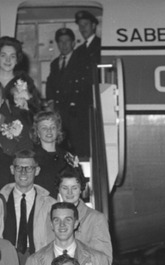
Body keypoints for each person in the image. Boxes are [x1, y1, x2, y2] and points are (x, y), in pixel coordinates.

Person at [0, 149, 56, 265]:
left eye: (29, 168)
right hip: (5, 260)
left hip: (38, 260)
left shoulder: (50, 204)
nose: (23, 173)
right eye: (19, 167)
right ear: (12, 169)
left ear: (37, 171)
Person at [63, 11, 101, 158]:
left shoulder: (100, 46)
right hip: (80, 106)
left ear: (93, 25)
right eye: (80, 26)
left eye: (85, 25)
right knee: (81, 143)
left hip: (93, 102)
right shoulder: (79, 51)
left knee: (93, 142)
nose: (83, 28)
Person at [56, 167, 112, 265]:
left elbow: (104, 259)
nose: (69, 193)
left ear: (81, 189)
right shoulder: (50, 217)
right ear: (59, 189)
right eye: (65, 188)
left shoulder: (96, 219)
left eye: (74, 188)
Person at [0, 36, 42, 114]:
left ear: (17, 60)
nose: (8, 60)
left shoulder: (25, 81)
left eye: (12, 56)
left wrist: (27, 101)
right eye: (3, 55)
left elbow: (36, 111)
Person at [31, 110, 77, 198]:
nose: (49, 131)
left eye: (53, 127)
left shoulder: (68, 157)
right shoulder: (31, 158)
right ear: (37, 133)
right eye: (44, 128)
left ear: (58, 131)